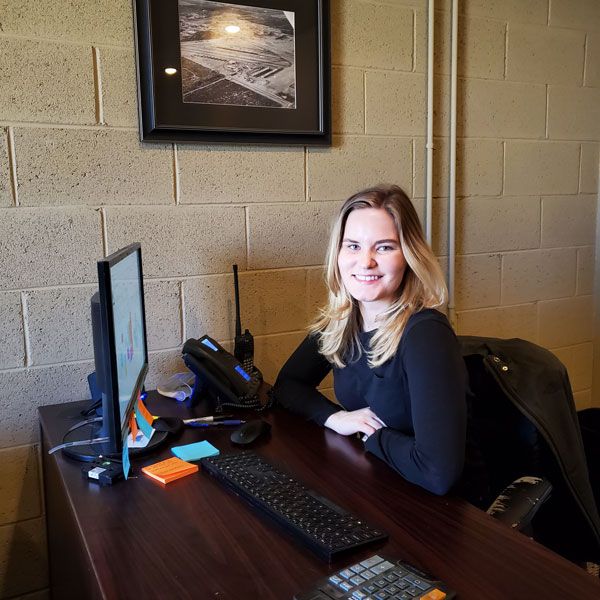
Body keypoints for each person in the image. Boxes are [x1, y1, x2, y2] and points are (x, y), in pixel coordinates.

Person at [274, 184, 467, 495]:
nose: (365, 262)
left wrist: (372, 436)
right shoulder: (342, 319)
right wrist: (334, 417)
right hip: (380, 482)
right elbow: (288, 384)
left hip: (439, 510)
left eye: (385, 247)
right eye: (352, 246)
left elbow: (438, 473)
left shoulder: (426, 334)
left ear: (410, 255)